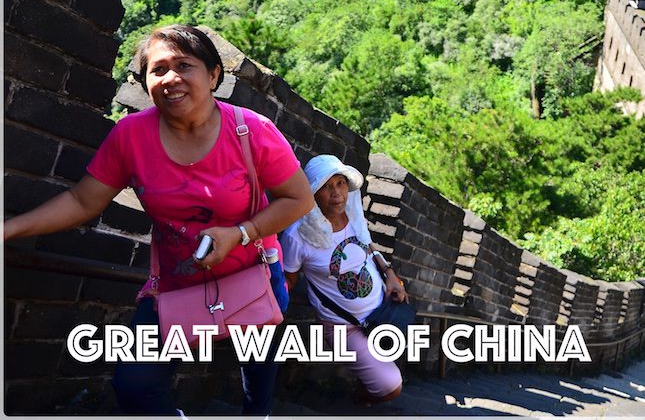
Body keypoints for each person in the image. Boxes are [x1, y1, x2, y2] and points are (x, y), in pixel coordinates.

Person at [4, 24, 314, 415]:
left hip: (251, 272)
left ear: (214, 74)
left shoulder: (251, 130)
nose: (171, 78)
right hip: (175, 282)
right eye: (158, 69)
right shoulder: (131, 135)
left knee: (256, 362)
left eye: (184, 66)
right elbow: (83, 200)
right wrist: (8, 230)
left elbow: (299, 199)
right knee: (135, 383)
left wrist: (241, 233)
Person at [280, 155, 408, 403]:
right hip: (344, 327)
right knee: (390, 388)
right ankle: (356, 400)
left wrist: (390, 274)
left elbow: (367, 245)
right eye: (327, 186)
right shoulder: (299, 235)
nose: (336, 193)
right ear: (313, 192)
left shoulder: (352, 213)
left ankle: (367, 379)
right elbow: (289, 280)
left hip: (381, 313)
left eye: (340, 184)